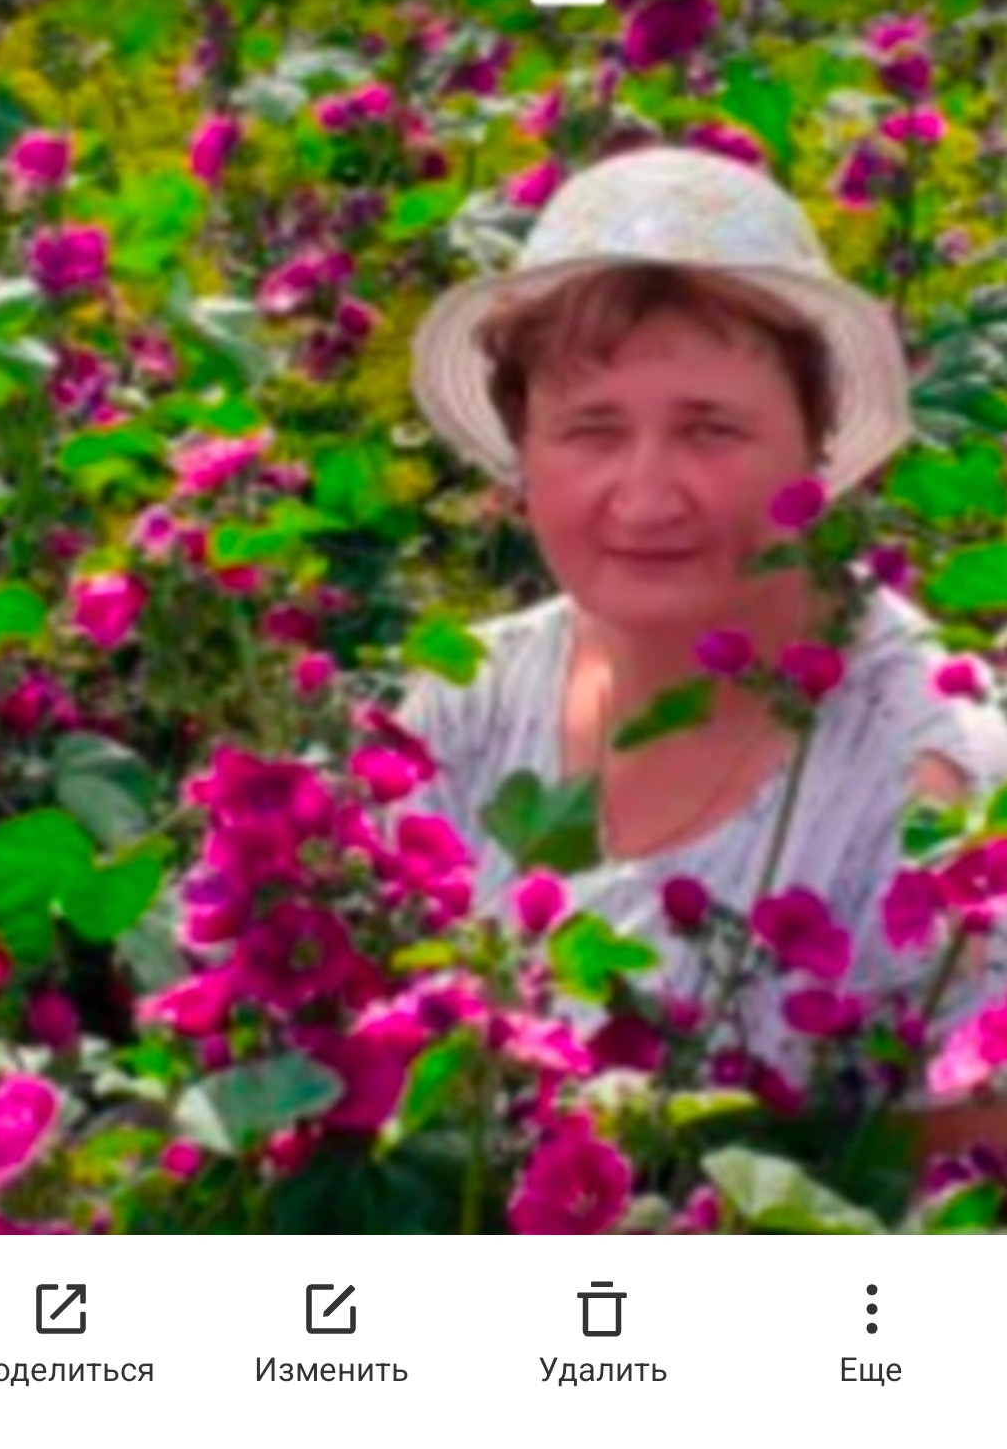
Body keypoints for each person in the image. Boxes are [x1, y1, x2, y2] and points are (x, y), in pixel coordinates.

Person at [402, 145, 1007, 1085]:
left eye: (711, 430)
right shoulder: (468, 702)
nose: (646, 498)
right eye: (591, 430)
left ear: (814, 446)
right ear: (525, 453)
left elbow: (962, 1156)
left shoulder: (934, 786)